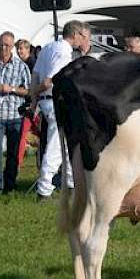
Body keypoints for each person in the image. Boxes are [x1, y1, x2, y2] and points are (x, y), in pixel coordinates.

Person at [30, 20, 92, 201]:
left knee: (65, 146)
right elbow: (51, 80)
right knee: (56, 147)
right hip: (56, 101)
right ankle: (44, 189)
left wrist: (34, 100)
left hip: (46, 102)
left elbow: (35, 74)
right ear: (75, 35)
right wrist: (35, 92)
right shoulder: (64, 51)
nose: (84, 38)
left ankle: (72, 185)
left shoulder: (49, 47)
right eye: (82, 35)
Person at [0, 32, 31, 195]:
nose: (3, 48)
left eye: (7, 45)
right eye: (1, 44)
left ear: (12, 47)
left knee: (13, 154)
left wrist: (12, 89)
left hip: (14, 115)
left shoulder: (21, 66)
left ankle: (10, 185)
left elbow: (29, 91)